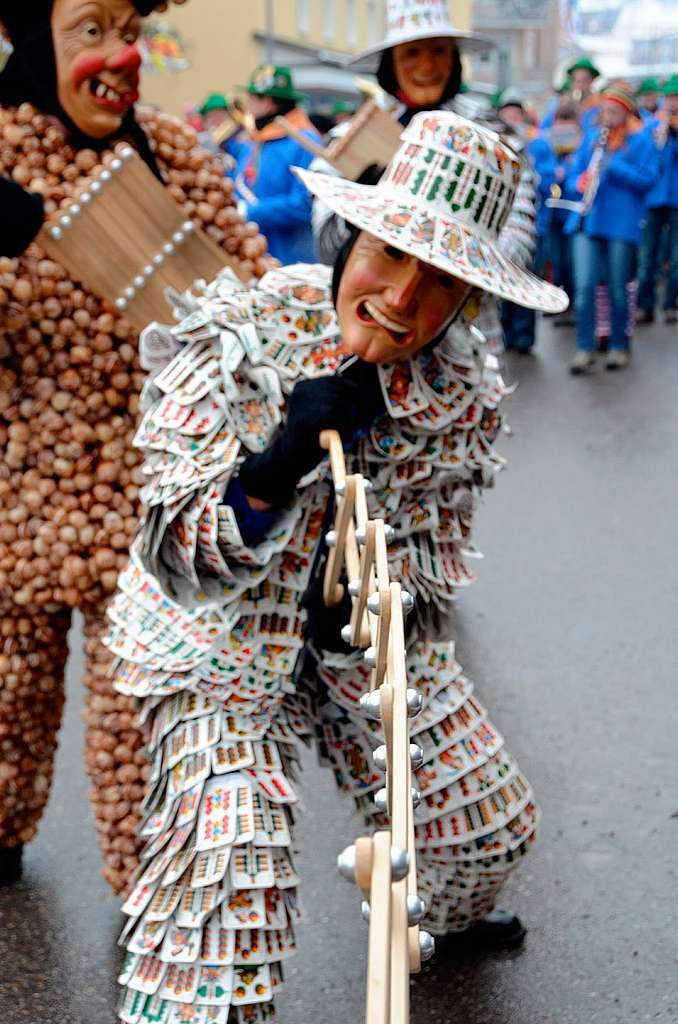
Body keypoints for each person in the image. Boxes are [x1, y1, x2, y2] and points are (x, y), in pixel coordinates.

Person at [107, 110, 568, 1023]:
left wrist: (368, 607)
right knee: (235, 876)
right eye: (388, 255)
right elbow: (172, 553)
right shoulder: (235, 334)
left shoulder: (461, 394)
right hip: (215, 640)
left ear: (471, 301)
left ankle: (432, 919)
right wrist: (277, 463)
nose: (401, 297)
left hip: (356, 647)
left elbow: (431, 566)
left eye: (439, 282)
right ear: (351, 238)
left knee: (487, 825)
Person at [0, 0, 270, 891]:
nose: (122, 55)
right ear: (37, 41)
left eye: (129, 30)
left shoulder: (171, 150)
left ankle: (158, 897)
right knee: (6, 699)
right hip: (14, 503)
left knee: (142, 718)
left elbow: (254, 297)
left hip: (149, 511)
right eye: (91, 30)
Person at [313, 0, 538, 360]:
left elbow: (517, 243)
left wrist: (456, 259)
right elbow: (325, 243)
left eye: (438, 51)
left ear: (455, 59)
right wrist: (363, 205)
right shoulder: (351, 136)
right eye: (412, 53)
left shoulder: (496, 139)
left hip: (463, 340)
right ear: (391, 62)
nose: (427, 65)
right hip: (365, 325)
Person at [566, 81, 658, 373]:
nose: (607, 115)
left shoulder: (641, 141)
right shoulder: (592, 137)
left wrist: (613, 165)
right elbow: (571, 176)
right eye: (604, 109)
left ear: (627, 112)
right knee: (583, 288)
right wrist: (577, 181)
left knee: (618, 288)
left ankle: (619, 346)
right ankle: (585, 347)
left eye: (614, 111)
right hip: (587, 221)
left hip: (621, 224)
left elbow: (648, 180)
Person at [232, 64, 320, 264]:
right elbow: (240, 181)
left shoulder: (305, 141)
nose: (247, 105)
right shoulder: (254, 139)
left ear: (269, 103)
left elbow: (304, 204)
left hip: (288, 257)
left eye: (252, 98)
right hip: (250, 254)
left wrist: (249, 212)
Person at [496, 88, 556, 353]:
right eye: (506, 112)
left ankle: (524, 337)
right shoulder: (495, 143)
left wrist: (530, 168)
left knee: (525, 278)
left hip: (530, 223)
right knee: (502, 280)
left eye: (515, 112)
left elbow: (550, 178)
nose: (511, 117)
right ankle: (506, 333)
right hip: (500, 225)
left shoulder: (538, 143)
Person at [636, 74, 678, 326]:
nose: (673, 103)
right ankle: (645, 305)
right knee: (647, 256)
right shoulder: (652, 126)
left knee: (676, 258)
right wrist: (662, 134)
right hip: (652, 198)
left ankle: (671, 303)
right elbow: (648, 158)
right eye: (671, 97)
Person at [547, 101, 583, 324]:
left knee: (571, 262)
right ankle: (562, 305)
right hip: (553, 212)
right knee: (558, 262)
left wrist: (567, 172)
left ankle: (574, 307)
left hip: (573, 213)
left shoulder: (582, 146)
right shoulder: (549, 143)